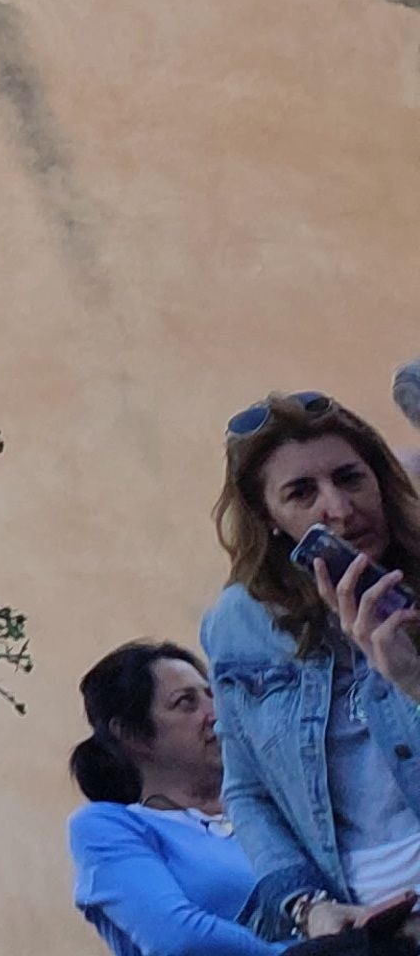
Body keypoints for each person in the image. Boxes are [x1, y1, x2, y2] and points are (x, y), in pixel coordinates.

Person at [205, 393, 420, 935]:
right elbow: (247, 788)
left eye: (350, 478)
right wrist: (305, 904)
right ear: (268, 517)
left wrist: (411, 675)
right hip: (369, 924)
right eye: (302, 493)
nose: (340, 509)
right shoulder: (239, 624)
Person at [72, 639, 305, 953]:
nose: (215, 713)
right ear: (131, 735)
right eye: (186, 703)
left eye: (212, 695)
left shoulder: (275, 804)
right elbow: (179, 940)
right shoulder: (110, 827)